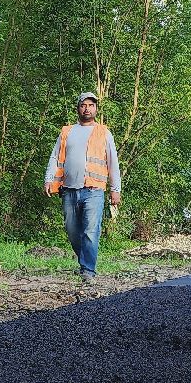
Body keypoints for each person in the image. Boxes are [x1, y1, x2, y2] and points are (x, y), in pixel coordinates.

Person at [44, 91, 121, 280]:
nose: (87, 108)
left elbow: (113, 162)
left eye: (91, 105)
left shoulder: (104, 132)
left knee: (90, 230)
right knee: (72, 231)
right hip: (69, 190)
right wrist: (48, 178)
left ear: (96, 109)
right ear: (78, 108)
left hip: (94, 191)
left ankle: (88, 270)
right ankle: (84, 260)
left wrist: (115, 189)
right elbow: (55, 156)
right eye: (83, 105)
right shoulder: (67, 131)